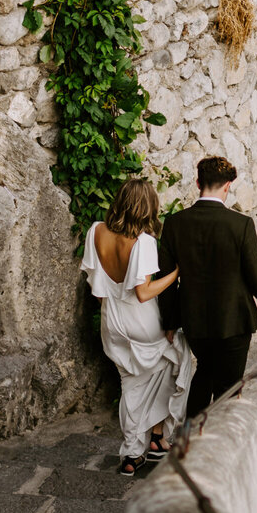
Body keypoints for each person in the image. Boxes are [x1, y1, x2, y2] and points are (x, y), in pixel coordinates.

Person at [80, 178, 193, 476]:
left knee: (131, 382)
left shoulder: (96, 231)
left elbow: (96, 283)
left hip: (112, 319)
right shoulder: (144, 242)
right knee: (177, 359)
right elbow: (143, 292)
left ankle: (134, 453)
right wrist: (176, 273)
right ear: (147, 207)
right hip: (141, 319)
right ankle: (158, 436)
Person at [157, 155, 257, 416]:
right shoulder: (241, 224)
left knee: (205, 372)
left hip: (194, 319)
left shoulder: (175, 223)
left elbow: (166, 279)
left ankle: (191, 437)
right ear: (227, 186)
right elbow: (255, 273)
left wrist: (169, 321)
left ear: (198, 182)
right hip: (234, 319)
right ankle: (220, 441)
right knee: (229, 384)